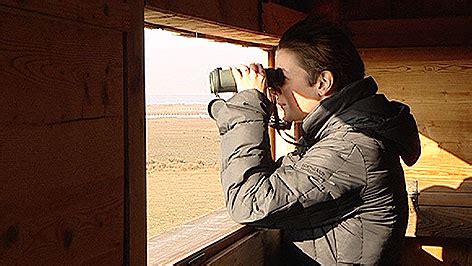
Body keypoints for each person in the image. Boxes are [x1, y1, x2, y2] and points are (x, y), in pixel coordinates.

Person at [208, 15, 420, 265]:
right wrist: (250, 106)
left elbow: (249, 201)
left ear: (322, 82)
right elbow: (279, 180)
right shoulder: (339, 136)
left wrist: (248, 107)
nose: (275, 88)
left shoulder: (352, 147)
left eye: (281, 77)